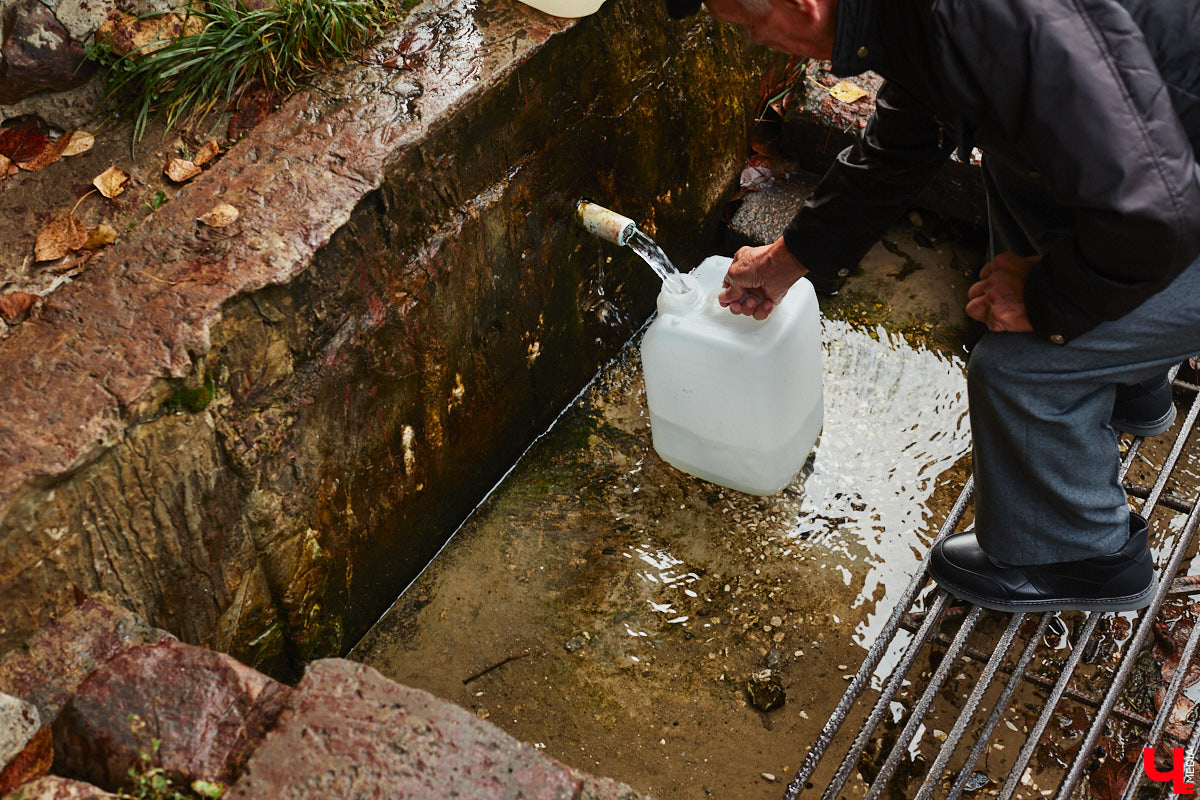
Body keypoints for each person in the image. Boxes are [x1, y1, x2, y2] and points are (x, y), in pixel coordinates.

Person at [665, 0, 1200, 612]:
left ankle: (1079, 553)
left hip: (1175, 211)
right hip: (1173, 163)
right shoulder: (927, 20)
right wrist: (785, 260)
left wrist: (1048, 299)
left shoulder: (999, 25)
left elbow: (1159, 218)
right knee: (1022, 167)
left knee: (1015, 370)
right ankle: (1123, 373)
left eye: (746, 23)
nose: (756, 42)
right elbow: (904, 145)